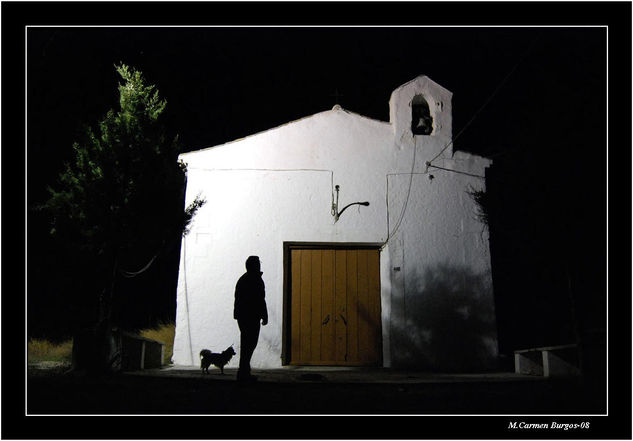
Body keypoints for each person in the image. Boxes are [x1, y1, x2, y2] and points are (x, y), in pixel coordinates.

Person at [233, 255, 268, 382]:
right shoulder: (254, 279)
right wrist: (264, 315)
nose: (259, 265)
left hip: (244, 316)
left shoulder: (244, 279)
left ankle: (244, 372)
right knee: (249, 344)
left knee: (247, 344)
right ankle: (243, 373)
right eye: (258, 263)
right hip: (251, 316)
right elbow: (259, 299)